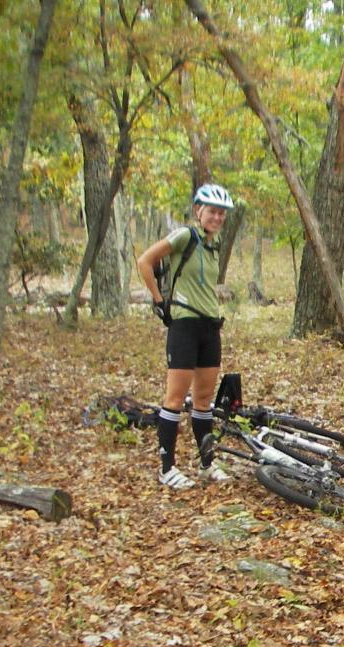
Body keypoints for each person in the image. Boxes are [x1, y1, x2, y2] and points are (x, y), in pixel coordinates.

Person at [136, 183, 235, 489]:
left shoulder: (213, 246)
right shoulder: (185, 236)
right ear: (198, 211)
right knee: (175, 398)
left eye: (221, 213)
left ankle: (206, 464)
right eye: (211, 212)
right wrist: (158, 299)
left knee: (204, 399)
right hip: (184, 325)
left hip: (209, 326)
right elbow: (145, 261)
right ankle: (167, 467)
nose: (217, 218)